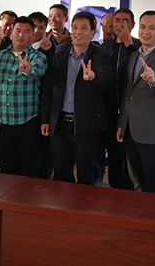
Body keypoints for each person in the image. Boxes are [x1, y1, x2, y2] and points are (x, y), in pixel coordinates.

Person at [41, 12, 114, 185]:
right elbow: (48, 89)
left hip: (87, 124)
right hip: (60, 122)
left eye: (84, 28)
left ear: (93, 32)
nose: (78, 32)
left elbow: (107, 81)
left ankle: (84, 202)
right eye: (74, 27)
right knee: (61, 169)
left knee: (86, 171)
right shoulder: (59, 53)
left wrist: (93, 78)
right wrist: (46, 119)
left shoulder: (101, 56)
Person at [117, 11, 155, 194]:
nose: (146, 32)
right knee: (138, 181)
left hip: (153, 132)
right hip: (131, 130)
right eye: (143, 27)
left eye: (152, 28)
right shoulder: (134, 55)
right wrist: (122, 124)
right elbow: (128, 93)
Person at [0, 17, 48, 177]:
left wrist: (27, 70)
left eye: (26, 31)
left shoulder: (38, 57)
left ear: (32, 35)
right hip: (2, 121)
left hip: (27, 121)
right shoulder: (0, 56)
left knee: (28, 167)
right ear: (11, 33)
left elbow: (38, 70)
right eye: (18, 31)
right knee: (6, 167)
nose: (21, 35)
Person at [97, 9, 141, 190]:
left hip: (131, 110)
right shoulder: (104, 48)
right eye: (117, 20)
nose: (120, 24)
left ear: (132, 25)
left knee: (130, 153)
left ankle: (133, 189)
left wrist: (129, 44)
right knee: (112, 151)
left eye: (125, 21)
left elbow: (141, 69)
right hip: (107, 108)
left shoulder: (139, 46)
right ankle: (115, 188)